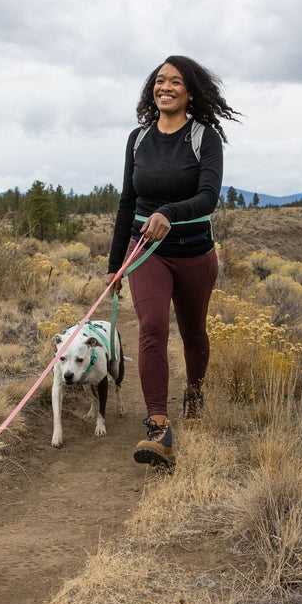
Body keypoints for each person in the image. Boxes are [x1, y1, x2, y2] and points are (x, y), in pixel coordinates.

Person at [106, 55, 239, 469]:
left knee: (194, 333)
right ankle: (158, 426)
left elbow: (209, 196)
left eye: (175, 81)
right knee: (152, 328)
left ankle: (194, 392)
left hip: (196, 252)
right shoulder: (138, 138)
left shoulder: (205, 137)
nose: (165, 87)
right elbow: (128, 202)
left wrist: (170, 213)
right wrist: (114, 265)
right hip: (146, 251)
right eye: (159, 81)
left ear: (190, 92)